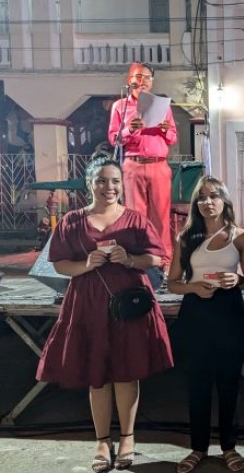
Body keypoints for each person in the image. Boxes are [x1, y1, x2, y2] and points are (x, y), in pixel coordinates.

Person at [35, 154, 173, 472]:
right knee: (96, 373)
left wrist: (130, 260)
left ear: (121, 185)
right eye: (101, 181)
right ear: (89, 184)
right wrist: (85, 265)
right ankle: (101, 440)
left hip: (128, 303)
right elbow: (59, 264)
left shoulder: (136, 219)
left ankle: (127, 437)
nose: (108, 187)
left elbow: (156, 258)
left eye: (114, 181)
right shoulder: (72, 221)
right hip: (87, 302)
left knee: (127, 370)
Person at [166, 176, 244, 473]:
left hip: (229, 310)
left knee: (229, 383)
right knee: (198, 383)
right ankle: (198, 448)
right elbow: (172, 283)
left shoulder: (240, 236)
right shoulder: (186, 237)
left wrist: (238, 279)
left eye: (214, 196)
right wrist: (192, 287)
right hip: (196, 312)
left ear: (224, 200)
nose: (207, 202)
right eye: (202, 197)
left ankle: (229, 447)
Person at [108, 61, 177, 268]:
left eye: (147, 77)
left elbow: (172, 138)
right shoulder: (120, 106)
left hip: (158, 165)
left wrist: (165, 129)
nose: (143, 81)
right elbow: (114, 139)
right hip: (133, 165)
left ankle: (164, 261)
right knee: (135, 215)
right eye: (139, 76)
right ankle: (136, 259)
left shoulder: (162, 106)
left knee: (161, 216)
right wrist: (129, 129)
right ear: (129, 80)